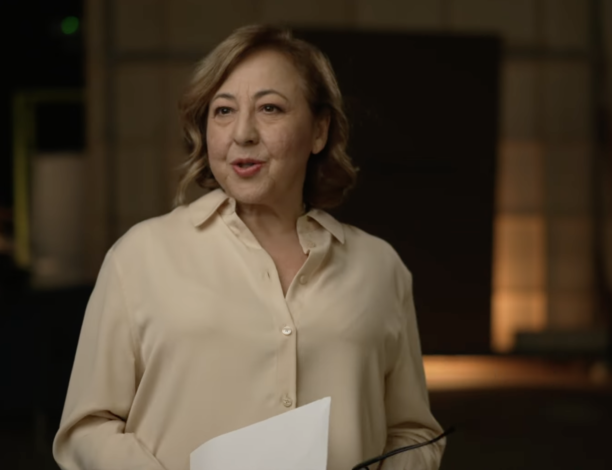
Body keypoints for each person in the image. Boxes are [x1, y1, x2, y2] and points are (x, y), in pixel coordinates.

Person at [53, 24, 445, 470]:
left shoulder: (379, 267)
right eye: (223, 111)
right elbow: (87, 428)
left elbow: (415, 434)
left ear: (319, 130)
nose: (242, 133)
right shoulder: (139, 257)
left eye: (270, 108)